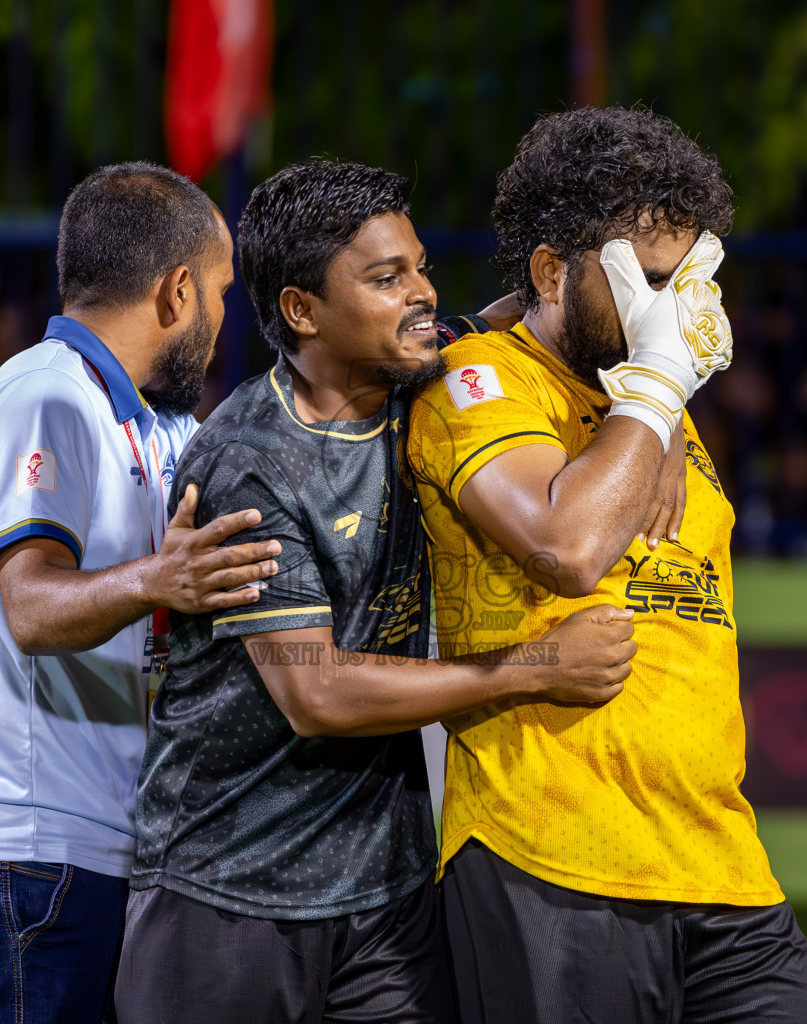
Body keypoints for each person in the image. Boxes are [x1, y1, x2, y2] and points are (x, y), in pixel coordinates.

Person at [113, 159, 639, 1024]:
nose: (422, 293)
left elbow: (526, 316)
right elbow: (315, 693)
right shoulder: (251, 459)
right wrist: (534, 666)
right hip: (230, 889)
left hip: (384, 902)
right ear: (302, 310)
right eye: (387, 278)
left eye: (421, 266)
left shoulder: (424, 384)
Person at [408, 107, 807, 1023]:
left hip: (720, 860)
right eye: (643, 280)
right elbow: (567, 548)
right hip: (550, 859)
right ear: (551, 272)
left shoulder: (651, 405)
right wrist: (658, 388)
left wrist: (656, 401)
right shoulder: (478, 380)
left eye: (683, 279)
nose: (672, 307)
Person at [0, 162, 281, 1024]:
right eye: (221, 294)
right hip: (25, 851)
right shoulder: (47, 397)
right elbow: (31, 607)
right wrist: (163, 577)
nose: (225, 321)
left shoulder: (153, 423)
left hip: (94, 849)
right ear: (177, 292)